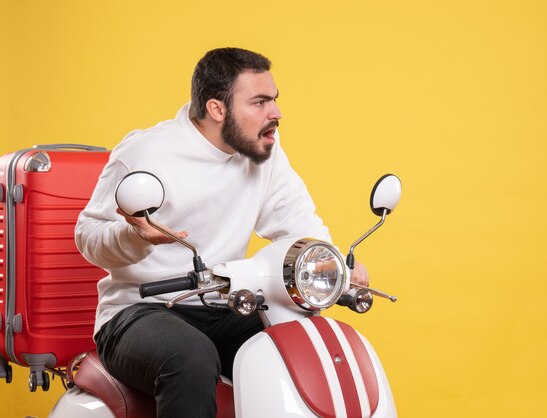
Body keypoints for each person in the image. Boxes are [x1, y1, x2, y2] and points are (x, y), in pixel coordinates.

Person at [75, 47, 369, 418]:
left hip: (224, 302)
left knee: (301, 344)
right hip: (138, 311)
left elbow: (298, 222)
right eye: (260, 102)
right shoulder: (146, 153)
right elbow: (87, 235)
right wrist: (135, 239)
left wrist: (336, 265)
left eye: (274, 100)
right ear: (217, 109)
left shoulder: (264, 152)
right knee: (191, 356)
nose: (275, 113)